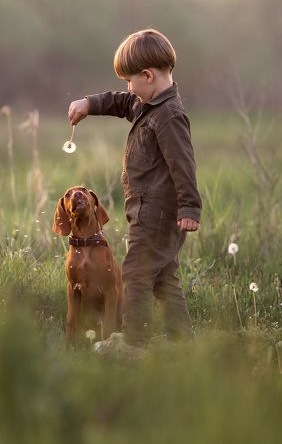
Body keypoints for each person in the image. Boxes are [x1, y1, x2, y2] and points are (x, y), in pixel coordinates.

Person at [67, 28, 201, 352]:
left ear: (148, 76)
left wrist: (189, 208)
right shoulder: (147, 104)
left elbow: (183, 165)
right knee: (164, 278)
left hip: (157, 213)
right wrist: (88, 103)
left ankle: (134, 345)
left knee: (136, 274)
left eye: (130, 80)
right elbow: (120, 101)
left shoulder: (168, 116)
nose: (128, 88)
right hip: (148, 211)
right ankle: (182, 343)